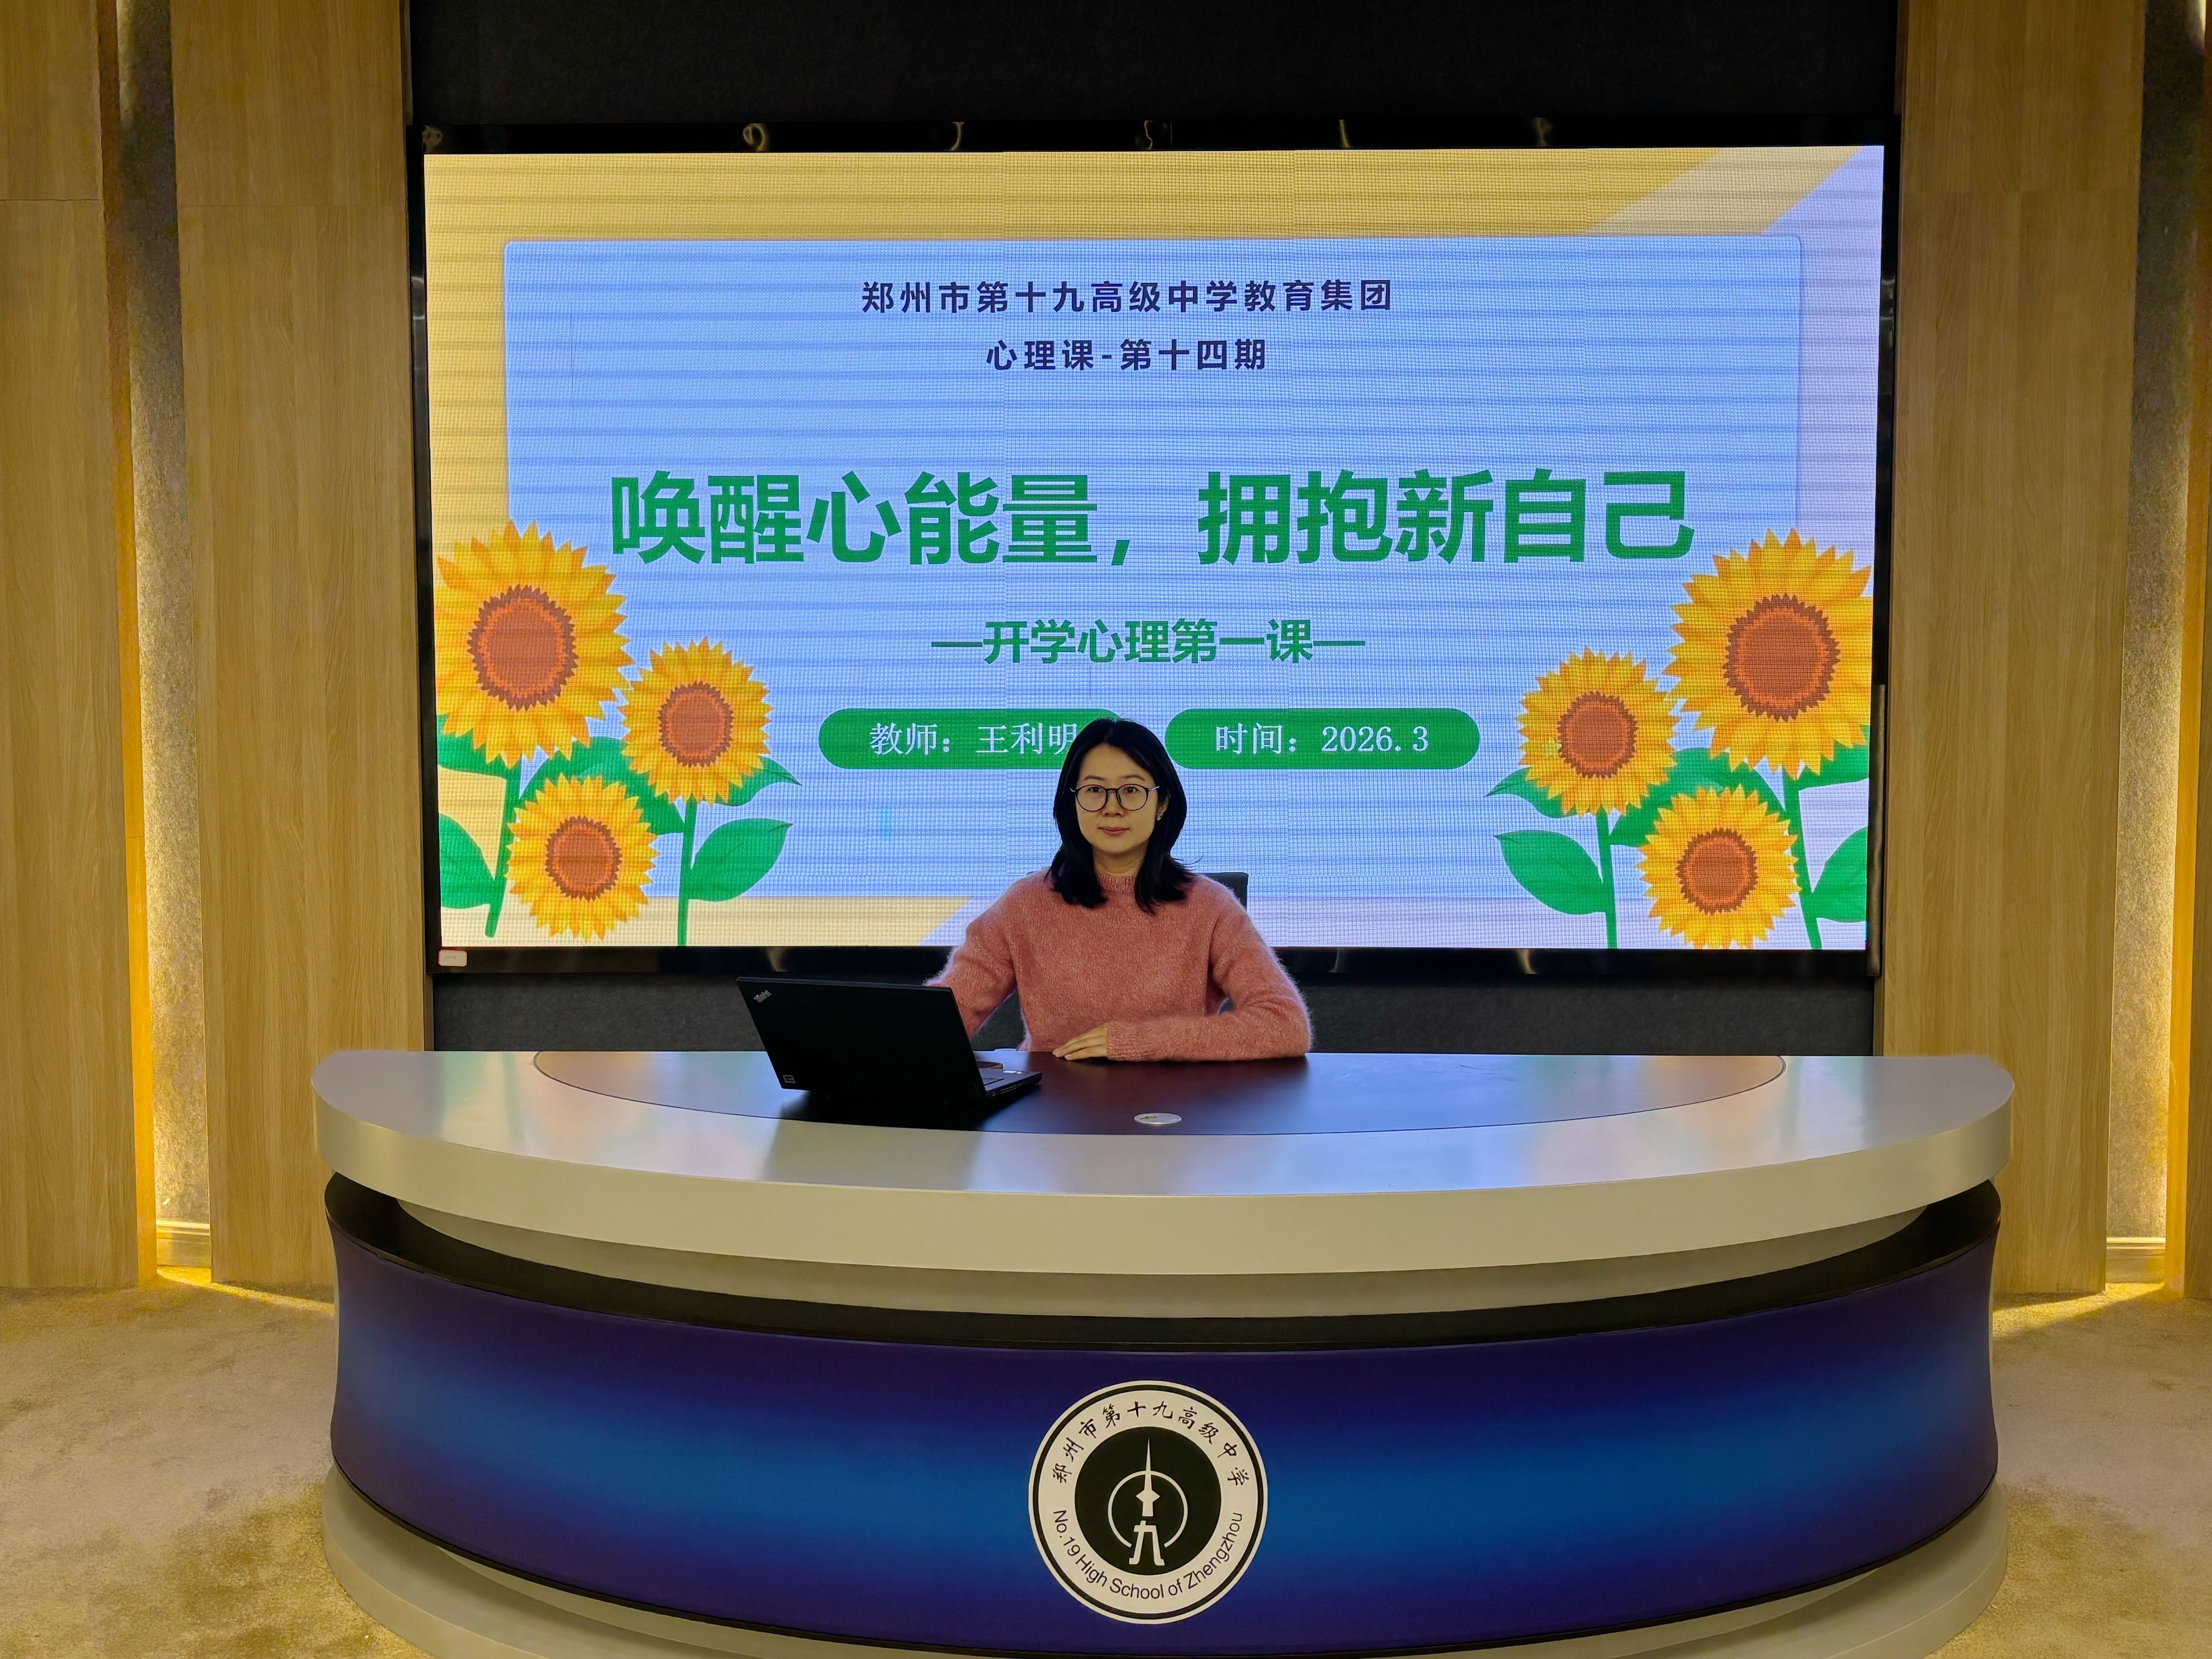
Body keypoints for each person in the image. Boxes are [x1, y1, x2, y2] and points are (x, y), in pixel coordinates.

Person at [933, 718, 1310, 1061]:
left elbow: (1285, 1025)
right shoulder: (1025, 905)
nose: (1112, 808)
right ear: (1073, 802)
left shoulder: (1210, 907)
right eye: (1094, 790)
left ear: (1162, 803)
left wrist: (1145, 1042)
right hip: (1053, 1103)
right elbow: (943, 1018)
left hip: (1174, 1106)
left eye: (1131, 790)